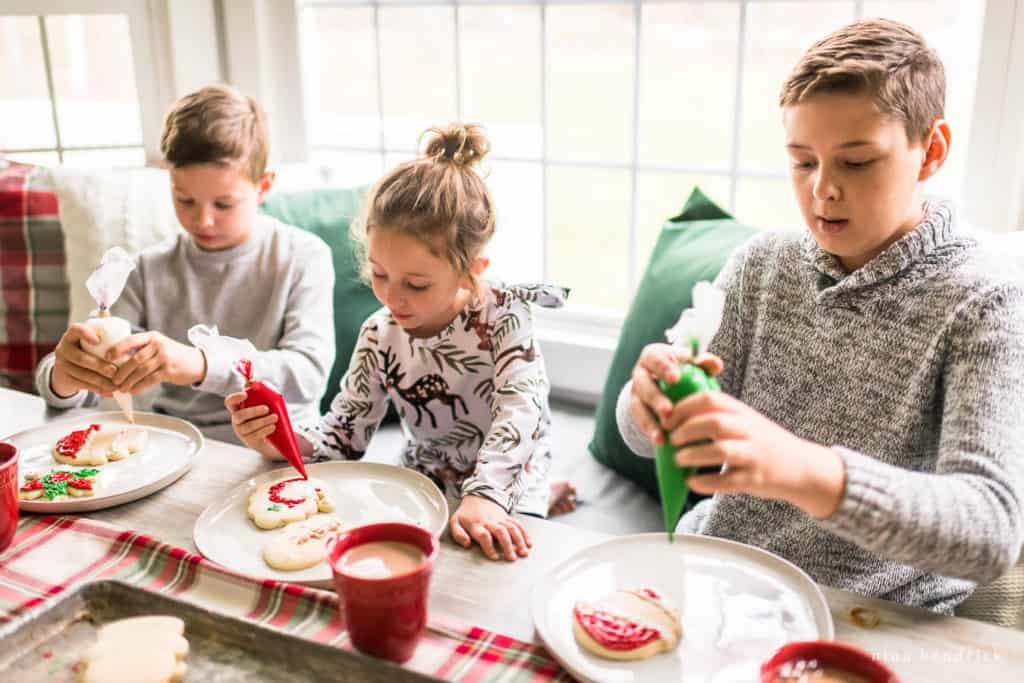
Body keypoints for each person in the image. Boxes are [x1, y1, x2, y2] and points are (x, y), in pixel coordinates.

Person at [617, 18, 1024, 613]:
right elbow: (641, 436)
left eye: (856, 163)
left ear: (931, 151)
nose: (823, 190)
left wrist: (806, 471)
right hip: (722, 581)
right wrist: (647, 402)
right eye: (803, 162)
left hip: (868, 616)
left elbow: (990, 532)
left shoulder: (985, 303)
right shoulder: (762, 264)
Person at [228, 123, 577, 562]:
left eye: (415, 283)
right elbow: (342, 439)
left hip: (509, 476)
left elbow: (520, 410)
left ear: (473, 270)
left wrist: (487, 496)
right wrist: (278, 440)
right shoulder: (380, 332)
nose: (393, 298)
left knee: (501, 564)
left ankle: (544, 493)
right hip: (427, 474)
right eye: (379, 274)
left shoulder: (504, 314)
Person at [36, 84, 334, 444]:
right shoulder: (146, 270)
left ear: (264, 186)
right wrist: (64, 378)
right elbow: (82, 390)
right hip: (180, 448)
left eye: (223, 204)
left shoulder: (303, 256)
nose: (203, 220)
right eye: (185, 200)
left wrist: (200, 364)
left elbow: (309, 373)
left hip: (276, 446)